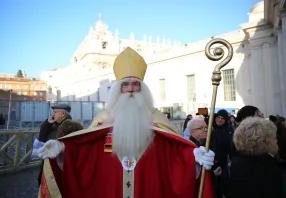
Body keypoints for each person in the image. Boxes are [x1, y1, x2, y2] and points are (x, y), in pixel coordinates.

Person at [37, 47, 215, 198]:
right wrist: (62, 149)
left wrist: (193, 156)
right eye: (125, 84)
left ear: (142, 88)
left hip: (149, 186)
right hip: (109, 187)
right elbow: (86, 150)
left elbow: (173, 150)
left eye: (135, 84)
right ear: (118, 89)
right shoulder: (102, 119)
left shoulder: (157, 117)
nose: (130, 89)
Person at [228, 117, 284, 198]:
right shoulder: (271, 168)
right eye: (274, 138)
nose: (276, 141)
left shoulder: (236, 165)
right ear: (264, 142)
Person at [33, 103, 72, 186]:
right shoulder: (53, 125)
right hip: (48, 163)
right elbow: (41, 139)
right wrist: (47, 124)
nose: (52, 114)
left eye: (55, 112)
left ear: (63, 114)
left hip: (58, 166)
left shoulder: (70, 127)